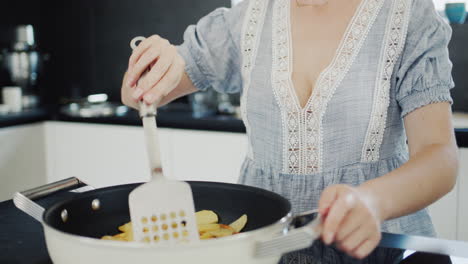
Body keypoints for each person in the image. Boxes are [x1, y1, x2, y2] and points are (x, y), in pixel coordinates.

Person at [121, 0, 459, 263]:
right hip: (266, 249)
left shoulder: (408, 16)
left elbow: (439, 156)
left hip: (381, 246)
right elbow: (140, 97)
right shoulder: (246, 20)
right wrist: (152, 68)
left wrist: (373, 201)